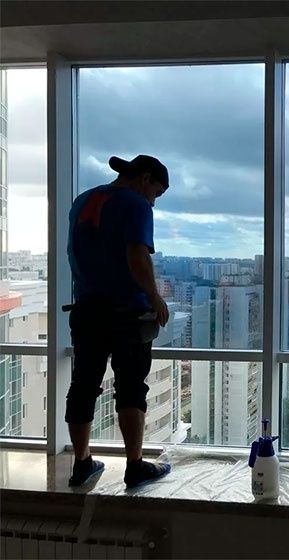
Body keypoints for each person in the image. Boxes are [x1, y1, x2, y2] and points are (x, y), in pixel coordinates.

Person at [65, 155, 172, 488]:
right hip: (127, 313)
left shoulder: (83, 201)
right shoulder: (135, 204)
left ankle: (82, 463)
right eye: (156, 192)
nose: (153, 201)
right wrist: (154, 298)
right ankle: (134, 465)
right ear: (145, 178)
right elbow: (137, 256)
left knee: (83, 385)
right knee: (131, 388)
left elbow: (74, 252)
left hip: (87, 308)